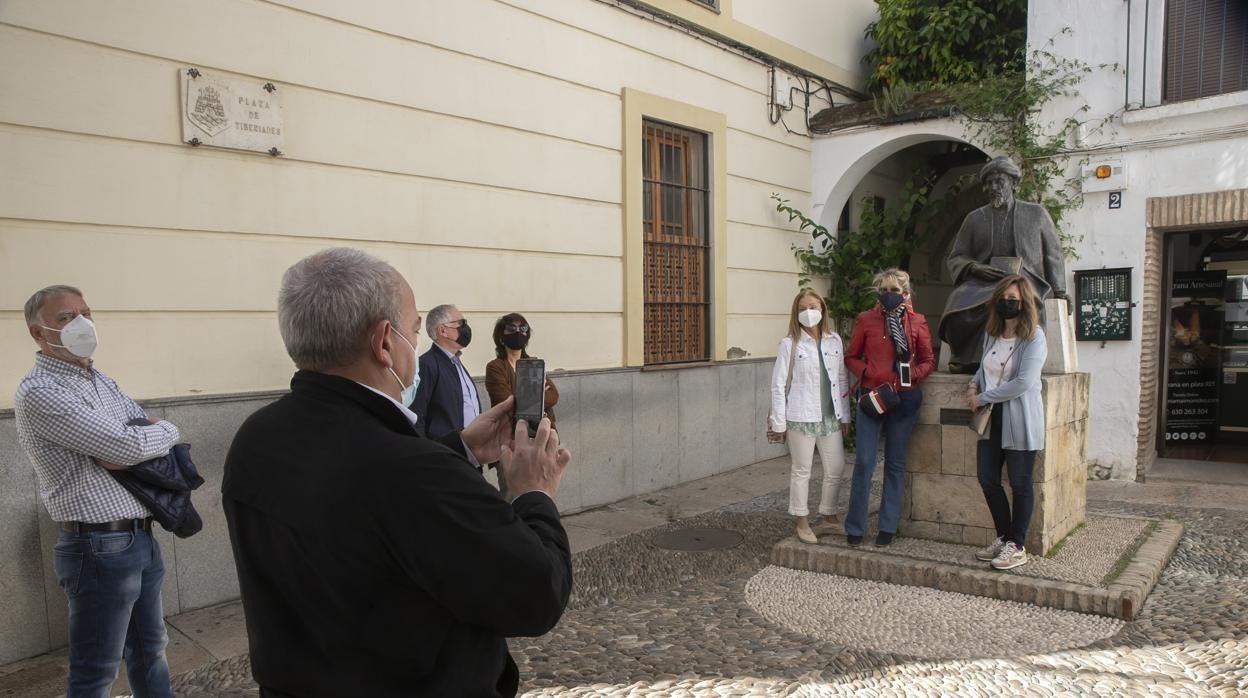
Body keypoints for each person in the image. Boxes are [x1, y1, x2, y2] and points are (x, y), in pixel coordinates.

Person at [222, 248, 573, 697]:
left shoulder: (256, 438)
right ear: (385, 343)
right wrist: (533, 493)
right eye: (412, 329)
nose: (416, 343)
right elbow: (536, 594)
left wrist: (460, 448)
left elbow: (362, 502)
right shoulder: (412, 472)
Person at [13, 285, 179, 698]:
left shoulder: (100, 379)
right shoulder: (41, 391)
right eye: (65, 318)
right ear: (38, 333)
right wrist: (143, 437)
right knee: (96, 672)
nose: (81, 323)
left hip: (139, 535)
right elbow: (127, 445)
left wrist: (163, 430)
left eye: (85, 312)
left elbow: (141, 432)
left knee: (151, 651)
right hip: (98, 545)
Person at [938, 156, 1068, 374]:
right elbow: (956, 256)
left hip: (1026, 280)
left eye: (1000, 182)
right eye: (989, 183)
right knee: (957, 305)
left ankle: (1011, 360)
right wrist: (975, 268)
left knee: (1006, 301)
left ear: (1014, 184)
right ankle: (967, 358)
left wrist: (1060, 290)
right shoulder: (974, 218)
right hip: (984, 281)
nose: (994, 187)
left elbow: (1053, 253)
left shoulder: (1036, 214)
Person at [843, 269, 935, 547]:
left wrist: (913, 375)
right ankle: (855, 526)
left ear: (905, 293)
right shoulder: (866, 319)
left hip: (904, 398)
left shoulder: (917, 321)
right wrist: (868, 371)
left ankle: (888, 525)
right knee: (865, 461)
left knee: (895, 463)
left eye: (894, 290)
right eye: (883, 289)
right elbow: (851, 357)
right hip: (872, 396)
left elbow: (929, 360)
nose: (888, 295)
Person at [968, 275, 1048, 570]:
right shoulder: (992, 334)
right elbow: (983, 368)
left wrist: (985, 396)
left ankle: (1017, 545)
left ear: (1023, 302)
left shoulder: (1034, 337)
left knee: (1020, 483)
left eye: (1012, 299)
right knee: (987, 478)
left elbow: (1023, 382)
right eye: (1002, 298)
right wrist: (972, 387)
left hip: (1020, 419)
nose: (1006, 303)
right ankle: (1003, 537)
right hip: (991, 420)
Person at [767, 291, 851, 544]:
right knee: (802, 470)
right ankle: (802, 521)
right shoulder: (790, 343)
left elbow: (842, 378)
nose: (808, 312)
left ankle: (829, 515)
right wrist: (778, 423)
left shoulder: (834, 340)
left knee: (835, 467)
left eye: (813, 306)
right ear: (796, 313)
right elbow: (778, 385)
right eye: (803, 308)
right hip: (801, 417)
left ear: (822, 309)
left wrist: (845, 415)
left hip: (829, 416)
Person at [410, 303, 483, 440]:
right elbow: (417, 416)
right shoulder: (427, 365)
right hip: (445, 453)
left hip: (468, 452)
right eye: (460, 323)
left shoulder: (456, 362)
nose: (465, 328)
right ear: (443, 331)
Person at [484, 312, 559, 430]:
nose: (518, 332)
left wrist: (522, 400)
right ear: (501, 336)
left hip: (543, 431)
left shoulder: (534, 363)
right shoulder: (495, 367)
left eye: (523, 328)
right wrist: (538, 394)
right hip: (513, 435)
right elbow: (506, 403)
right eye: (511, 328)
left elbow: (554, 395)